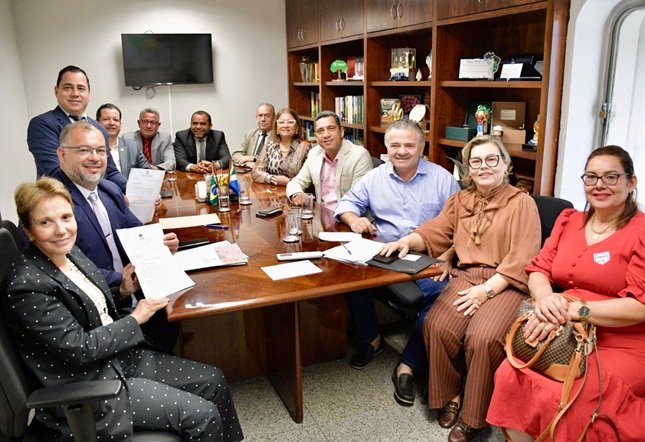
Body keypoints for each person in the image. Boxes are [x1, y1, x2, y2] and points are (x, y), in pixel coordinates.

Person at [4, 176, 243, 441]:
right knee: (202, 415)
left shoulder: (69, 253)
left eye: (66, 217)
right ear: (28, 230)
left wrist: (122, 292)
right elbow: (80, 349)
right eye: (45, 222)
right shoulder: (28, 285)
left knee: (213, 379)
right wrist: (136, 318)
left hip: (118, 357)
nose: (61, 230)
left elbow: (90, 310)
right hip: (90, 383)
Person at [381, 135, 541, 442]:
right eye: (476, 161)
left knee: (483, 338)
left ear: (505, 164)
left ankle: (473, 416)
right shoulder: (461, 200)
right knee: (437, 325)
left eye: (492, 159)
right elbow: (435, 231)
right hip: (466, 275)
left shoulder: (522, 203)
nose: (484, 167)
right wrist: (406, 242)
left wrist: (487, 291)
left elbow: (523, 258)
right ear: (468, 169)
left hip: (506, 282)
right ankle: (451, 393)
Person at [487, 145, 645, 442]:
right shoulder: (569, 220)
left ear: (631, 182)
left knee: (575, 395)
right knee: (511, 371)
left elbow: (640, 307)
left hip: (622, 338)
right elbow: (538, 269)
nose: (599, 185)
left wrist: (575, 310)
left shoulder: (642, 231)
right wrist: (546, 300)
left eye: (611, 177)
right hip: (563, 326)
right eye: (591, 177)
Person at [335, 119, 461, 405]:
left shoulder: (442, 179)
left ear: (422, 148)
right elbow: (347, 204)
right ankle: (372, 339)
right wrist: (354, 220)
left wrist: (450, 255)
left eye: (409, 145)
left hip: (429, 257)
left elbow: (462, 224)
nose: (401, 151)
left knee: (442, 296)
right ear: (386, 147)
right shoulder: (375, 177)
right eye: (395, 145)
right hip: (386, 251)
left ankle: (408, 364)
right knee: (349, 277)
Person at [52, 121, 178, 352]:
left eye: (101, 151)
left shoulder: (108, 189)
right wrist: (123, 279)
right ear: (62, 154)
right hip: (102, 312)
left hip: (139, 293)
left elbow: (137, 233)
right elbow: (64, 269)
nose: (95, 158)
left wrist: (161, 246)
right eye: (84, 150)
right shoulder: (54, 204)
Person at [27, 65, 127, 192]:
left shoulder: (98, 128)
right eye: (67, 88)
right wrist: (112, 193)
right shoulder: (42, 124)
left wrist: (134, 190)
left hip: (99, 198)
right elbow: (56, 172)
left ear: (88, 93)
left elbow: (111, 172)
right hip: (63, 199)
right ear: (56, 91)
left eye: (81, 88)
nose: (75, 94)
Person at [286, 110, 372, 209]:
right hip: (321, 214)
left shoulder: (360, 156)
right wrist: (297, 194)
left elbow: (357, 199)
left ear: (341, 132)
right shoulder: (314, 153)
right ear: (316, 137)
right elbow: (296, 182)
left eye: (331, 128)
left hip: (348, 214)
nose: (326, 135)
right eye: (320, 131)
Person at [252, 107, 311, 185]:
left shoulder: (305, 147)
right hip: (271, 191)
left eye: (290, 122)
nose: (285, 125)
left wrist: (289, 182)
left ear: (296, 127)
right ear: (276, 127)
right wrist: (271, 178)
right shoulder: (270, 146)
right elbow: (256, 172)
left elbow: (310, 178)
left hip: (295, 191)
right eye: (281, 122)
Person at [96, 103, 151, 178]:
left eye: (115, 120)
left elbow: (147, 173)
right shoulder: (90, 147)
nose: (111, 123)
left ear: (120, 125)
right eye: (106, 119)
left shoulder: (132, 147)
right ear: (97, 123)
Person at [232, 102, 275, 169]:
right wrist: (247, 163)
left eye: (267, 116)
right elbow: (236, 155)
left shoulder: (278, 136)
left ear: (274, 117)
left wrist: (254, 158)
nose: (263, 119)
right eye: (260, 115)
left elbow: (275, 161)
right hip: (250, 172)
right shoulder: (251, 134)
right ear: (256, 117)